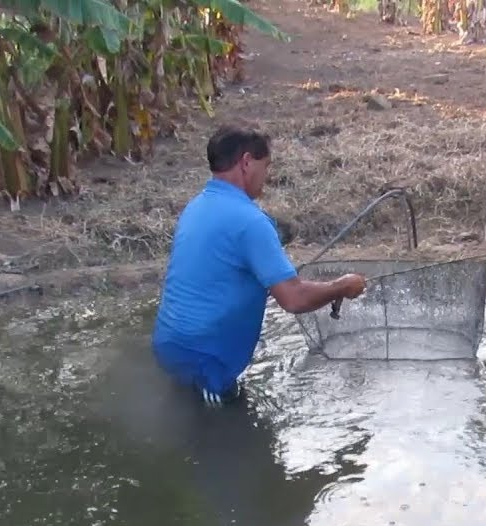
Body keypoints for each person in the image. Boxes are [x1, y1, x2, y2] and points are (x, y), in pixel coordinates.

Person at [152, 124, 365, 405]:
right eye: (266, 166)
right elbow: (293, 298)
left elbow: (216, 278)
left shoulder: (197, 207)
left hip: (172, 346)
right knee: (216, 440)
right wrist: (342, 286)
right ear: (247, 162)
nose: (266, 176)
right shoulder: (250, 220)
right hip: (206, 360)